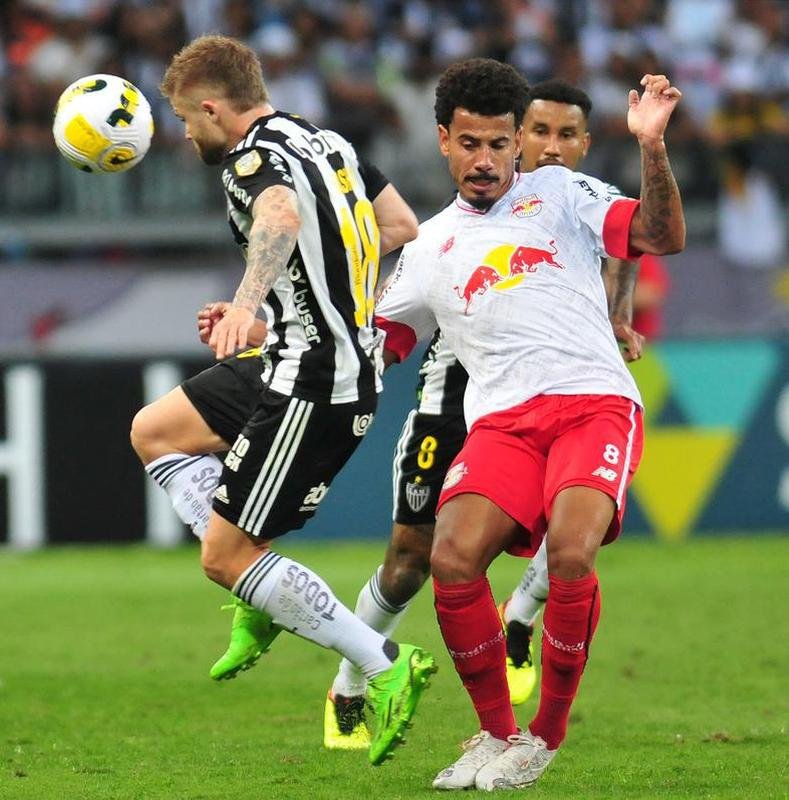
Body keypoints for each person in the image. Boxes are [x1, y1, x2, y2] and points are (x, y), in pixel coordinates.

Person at [373, 58, 683, 790]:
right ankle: (493, 732)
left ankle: (542, 736)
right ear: (444, 141)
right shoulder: (426, 247)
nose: (485, 160)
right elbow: (378, 344)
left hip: (590, 404)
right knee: (448, 560)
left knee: (572, 554)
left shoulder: (563, 191)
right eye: (469, 143)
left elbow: (659, 235)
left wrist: (651, 145)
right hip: (502, 424)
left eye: (499, 144)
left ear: (519, 143)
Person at [139, 34, 433, 766]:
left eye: (184, 119)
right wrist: (299, 311)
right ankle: (257, 593)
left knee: (223, 553)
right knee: (157, 431)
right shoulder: (324, 140)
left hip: (316, 382)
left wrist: (246, 302)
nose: (184, 133)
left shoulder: (248, 160)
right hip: (293, 351)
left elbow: (277, 216)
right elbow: (398, 228)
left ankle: (383, 663)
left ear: (212, 108)